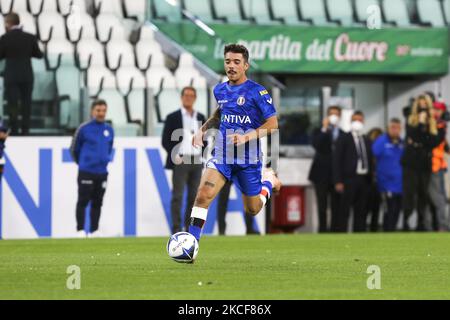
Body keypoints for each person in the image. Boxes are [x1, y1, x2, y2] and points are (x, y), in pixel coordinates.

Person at [188, 44, 281, 245]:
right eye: (228, 61)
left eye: (236, 62)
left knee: (253, 209)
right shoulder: (220, 90)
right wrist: (202, 130)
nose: (231, 66)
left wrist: (247, 136)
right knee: (203, 195)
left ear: (245, 65)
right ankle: (191, 245)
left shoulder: (257, 92)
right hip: (222, 156)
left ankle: (268, 182)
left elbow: (273, 124)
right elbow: (219, 114)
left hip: (248, 160)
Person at [162, 87, 207, 234]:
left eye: (191, 95)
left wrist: (202, 153)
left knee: (194, 197)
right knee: (178, 196)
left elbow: (205, 138)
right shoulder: (172, 117)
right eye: (186, 95)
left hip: (196, 160)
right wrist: (174, 154)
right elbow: (165, 140)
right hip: (181, 160)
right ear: (181, 97)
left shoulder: (201, 117)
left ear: (195, 98)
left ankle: (189, 229)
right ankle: (176, 229)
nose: (188, 98)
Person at [70, 100, 114, 238]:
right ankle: (80, 230)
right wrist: (84, 163)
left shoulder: (109, 129)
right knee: (83, 200)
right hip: (86, 171)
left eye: (103, 111)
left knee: (98, 202)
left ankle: (94, 230)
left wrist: (104, 161)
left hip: (102, 172)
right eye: (98, 110)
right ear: (92, 111)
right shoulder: (84, 128)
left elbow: (110, 147)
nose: (101, 113)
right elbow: (73, 149)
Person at [401, 94, 441, 231]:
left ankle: (420, 223)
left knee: (423, 194)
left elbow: (433, 142)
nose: (423, 106)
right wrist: (421, 124)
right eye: (420, 103)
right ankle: (407, 222)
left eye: (425, 103)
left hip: (425, 163)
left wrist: (420, 139)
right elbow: (412, 135)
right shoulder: (411, 119)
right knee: (409, 193)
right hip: (410, 163)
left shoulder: (434, 122)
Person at [0, 13, 43, 135]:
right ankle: (25, 130)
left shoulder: (5, 38)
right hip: (26, 76)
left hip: (11, 76)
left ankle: (14, 129)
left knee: (13, 104)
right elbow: (39, 55)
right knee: (26, 103)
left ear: (8, 23)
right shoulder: (30, 37)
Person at [333, 111, 372, 232]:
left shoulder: (366, 139)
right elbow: (337, 160)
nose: (357, 123)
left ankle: (359, 234)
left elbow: (369, 159)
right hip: (348, 179)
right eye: (355, 120)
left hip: (363, 179)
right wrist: (338, 180)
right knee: (344, 210)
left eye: (360, 120)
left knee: (361, 210)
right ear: (350, 121)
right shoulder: (344, 138)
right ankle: (342, 234)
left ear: (363, 122)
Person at [308, 106, 344, 233]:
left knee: (336, 206)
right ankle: (322, 231)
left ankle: (335, 231)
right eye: (331, 114)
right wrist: (324, 128)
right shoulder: (319, 131)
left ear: (340, 116)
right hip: (321, 174)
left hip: (337, 176)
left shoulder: (343, 134)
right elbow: (316, 145)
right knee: (322, 206)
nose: (334, 116)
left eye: (336, 114)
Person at [372, 119, 404, 232]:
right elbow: (373, 157)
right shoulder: (381, 141)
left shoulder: (401, 143)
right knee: (389, 211)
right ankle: (387, 234)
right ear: (388, 128)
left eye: (397, 127)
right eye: (393, 127)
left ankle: (393, 234)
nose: (395, 130)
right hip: (386, 184)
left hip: (400, 185)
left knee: (397, 211)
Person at [428, 101, 449, 231]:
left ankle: (443, 226)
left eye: (438, 110)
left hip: (436, 166)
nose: (436, 112)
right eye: (434, 109)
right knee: (429, 198)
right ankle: (431, 226)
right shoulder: (434, 123)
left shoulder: (441, 125)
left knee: (438, 198)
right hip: (430, 166)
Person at [366, 127, 384, 232]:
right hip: (368, 183)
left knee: (376, 209)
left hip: (379, 183)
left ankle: (374, 229)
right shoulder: (367, 151)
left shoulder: (381, 153)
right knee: (365, 209)